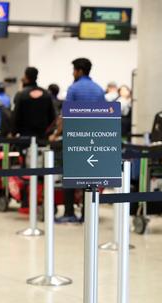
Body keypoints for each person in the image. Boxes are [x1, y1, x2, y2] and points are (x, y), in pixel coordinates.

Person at [58, 58, 105, 223]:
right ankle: (88, 214)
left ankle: (69, 213)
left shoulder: (74, 89)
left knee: (70, 176)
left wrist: (56, 133)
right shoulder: (99, 90)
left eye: (73, 70)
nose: (72, 73)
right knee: (89, 177)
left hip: (74, 138)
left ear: (79, 71)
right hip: (93, 139)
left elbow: (65, 116)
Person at [12, 67, 56, 139]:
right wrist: (49, 132)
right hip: (42, 136)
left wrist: (13, 132)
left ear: (26, 76)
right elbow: (52, 116)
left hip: (25, 136)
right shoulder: (46, 94)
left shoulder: (21, 94)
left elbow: (16, 115)